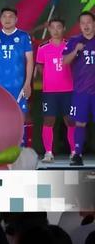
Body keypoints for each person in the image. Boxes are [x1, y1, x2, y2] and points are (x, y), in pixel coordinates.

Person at [0, 7, 34, 148]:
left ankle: (20, 148)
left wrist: (27, 83)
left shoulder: (23, 36)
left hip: (18, 85)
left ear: (16, 19)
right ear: (0, 19)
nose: (7, 19)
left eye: (11, 16)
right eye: (4, 16)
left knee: (20, 117)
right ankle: (0, 147)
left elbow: (29, 60)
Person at [36, 18, 76, 163]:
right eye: (52, 27)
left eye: (59, 27)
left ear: (64, 28)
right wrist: (48, 77)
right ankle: (48, 153)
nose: (55, 30)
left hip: (69, 90)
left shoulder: (70, 46)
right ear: (49, 29)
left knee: (70, 121)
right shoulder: (43, 47)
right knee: (48, 121)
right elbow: (39, 65)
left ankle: (74, 152)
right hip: (50, 92)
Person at [63, 11, 95, 166]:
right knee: (80, 123)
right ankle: (77, 154)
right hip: (81, 91)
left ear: (94, 23)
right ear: (80, 26)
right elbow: (64, 61)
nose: (86, 25)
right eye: (83, 23)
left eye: (88, 22)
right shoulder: (75, 41)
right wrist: (76, 51)